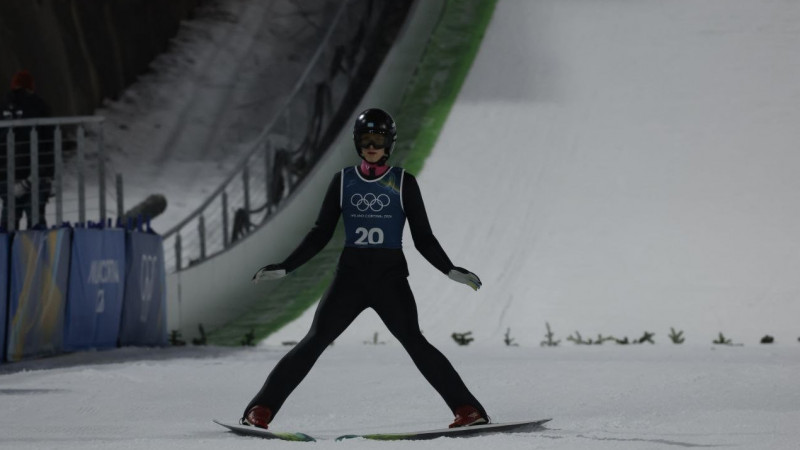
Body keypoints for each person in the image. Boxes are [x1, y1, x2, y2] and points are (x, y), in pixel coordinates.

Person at [243, 108, 489, 429]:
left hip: (390, 279)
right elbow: (320, 233)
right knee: (314, 340)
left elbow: (424, 238)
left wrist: (449, 269)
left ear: (389, 144)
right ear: (357, 143)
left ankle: (468, 410)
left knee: (415, 342)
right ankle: (260, 409)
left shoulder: (403, 182)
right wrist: (286, 267)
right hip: (351, 278)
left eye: (378, 140)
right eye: (366, 140)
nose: (372, 146)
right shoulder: (343, 181)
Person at [0, 70, 54, 229]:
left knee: (8, 224)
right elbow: (48, 141)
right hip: (34, 175)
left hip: (7, 175)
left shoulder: (2, 105)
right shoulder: (39, 105)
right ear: (31, 86)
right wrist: (44, 173)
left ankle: (5, 245)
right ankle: (37, 245)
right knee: (36, 223)